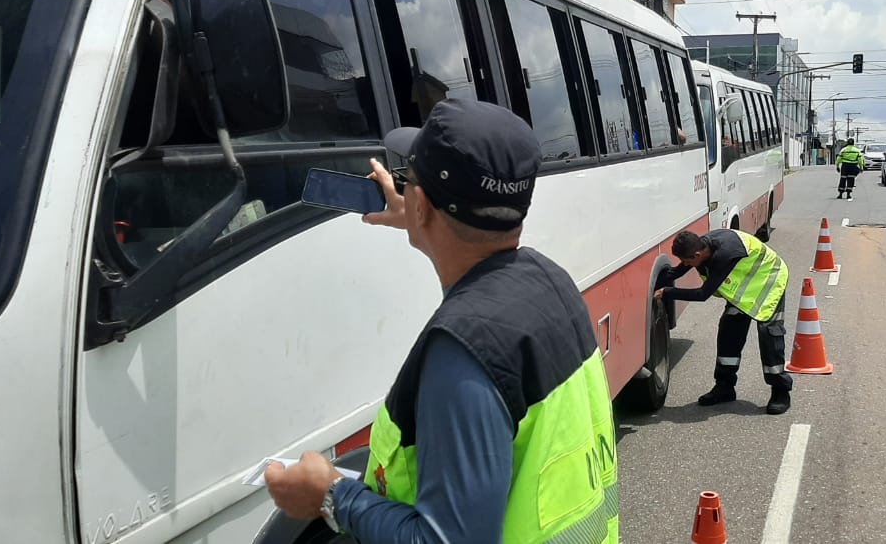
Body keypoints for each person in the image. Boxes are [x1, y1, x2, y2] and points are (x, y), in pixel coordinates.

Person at [263, 99, 618, 543]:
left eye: (407, 179)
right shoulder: (551, 282)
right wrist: (420, 217)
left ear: (423, 205)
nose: (402, 186)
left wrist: (332, 495)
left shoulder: (463, 351)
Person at [653, 229, 794, 415]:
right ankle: (725, 388)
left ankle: (780, 391)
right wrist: (656, 281)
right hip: (745, 290)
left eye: (687, 261)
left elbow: (703, 294)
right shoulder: (702, 247)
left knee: (769, 338)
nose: (686, 265)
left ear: (697, 254)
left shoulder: (724, 255)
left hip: (769, 282)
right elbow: (679, 270)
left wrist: (668, 292)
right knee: (729, 333)